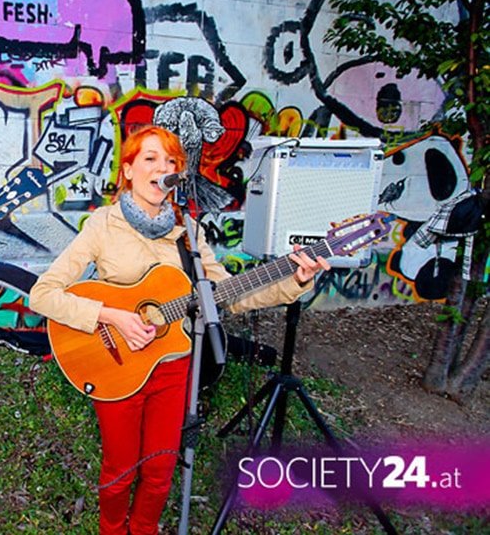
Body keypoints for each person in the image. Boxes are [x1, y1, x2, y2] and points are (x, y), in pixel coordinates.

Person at [29, 125, 329, 535]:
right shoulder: (103, 225)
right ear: (129, 170)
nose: (163, 168)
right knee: (119, 468)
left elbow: (228, 295)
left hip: (174, 368)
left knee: (160, 468)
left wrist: (295, 279)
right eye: (151, 159)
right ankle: (112, 529)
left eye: (172, 161)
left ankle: (144, 529)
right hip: (115, 365)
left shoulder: (187, 233)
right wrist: (112, 316)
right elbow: (42, 295)